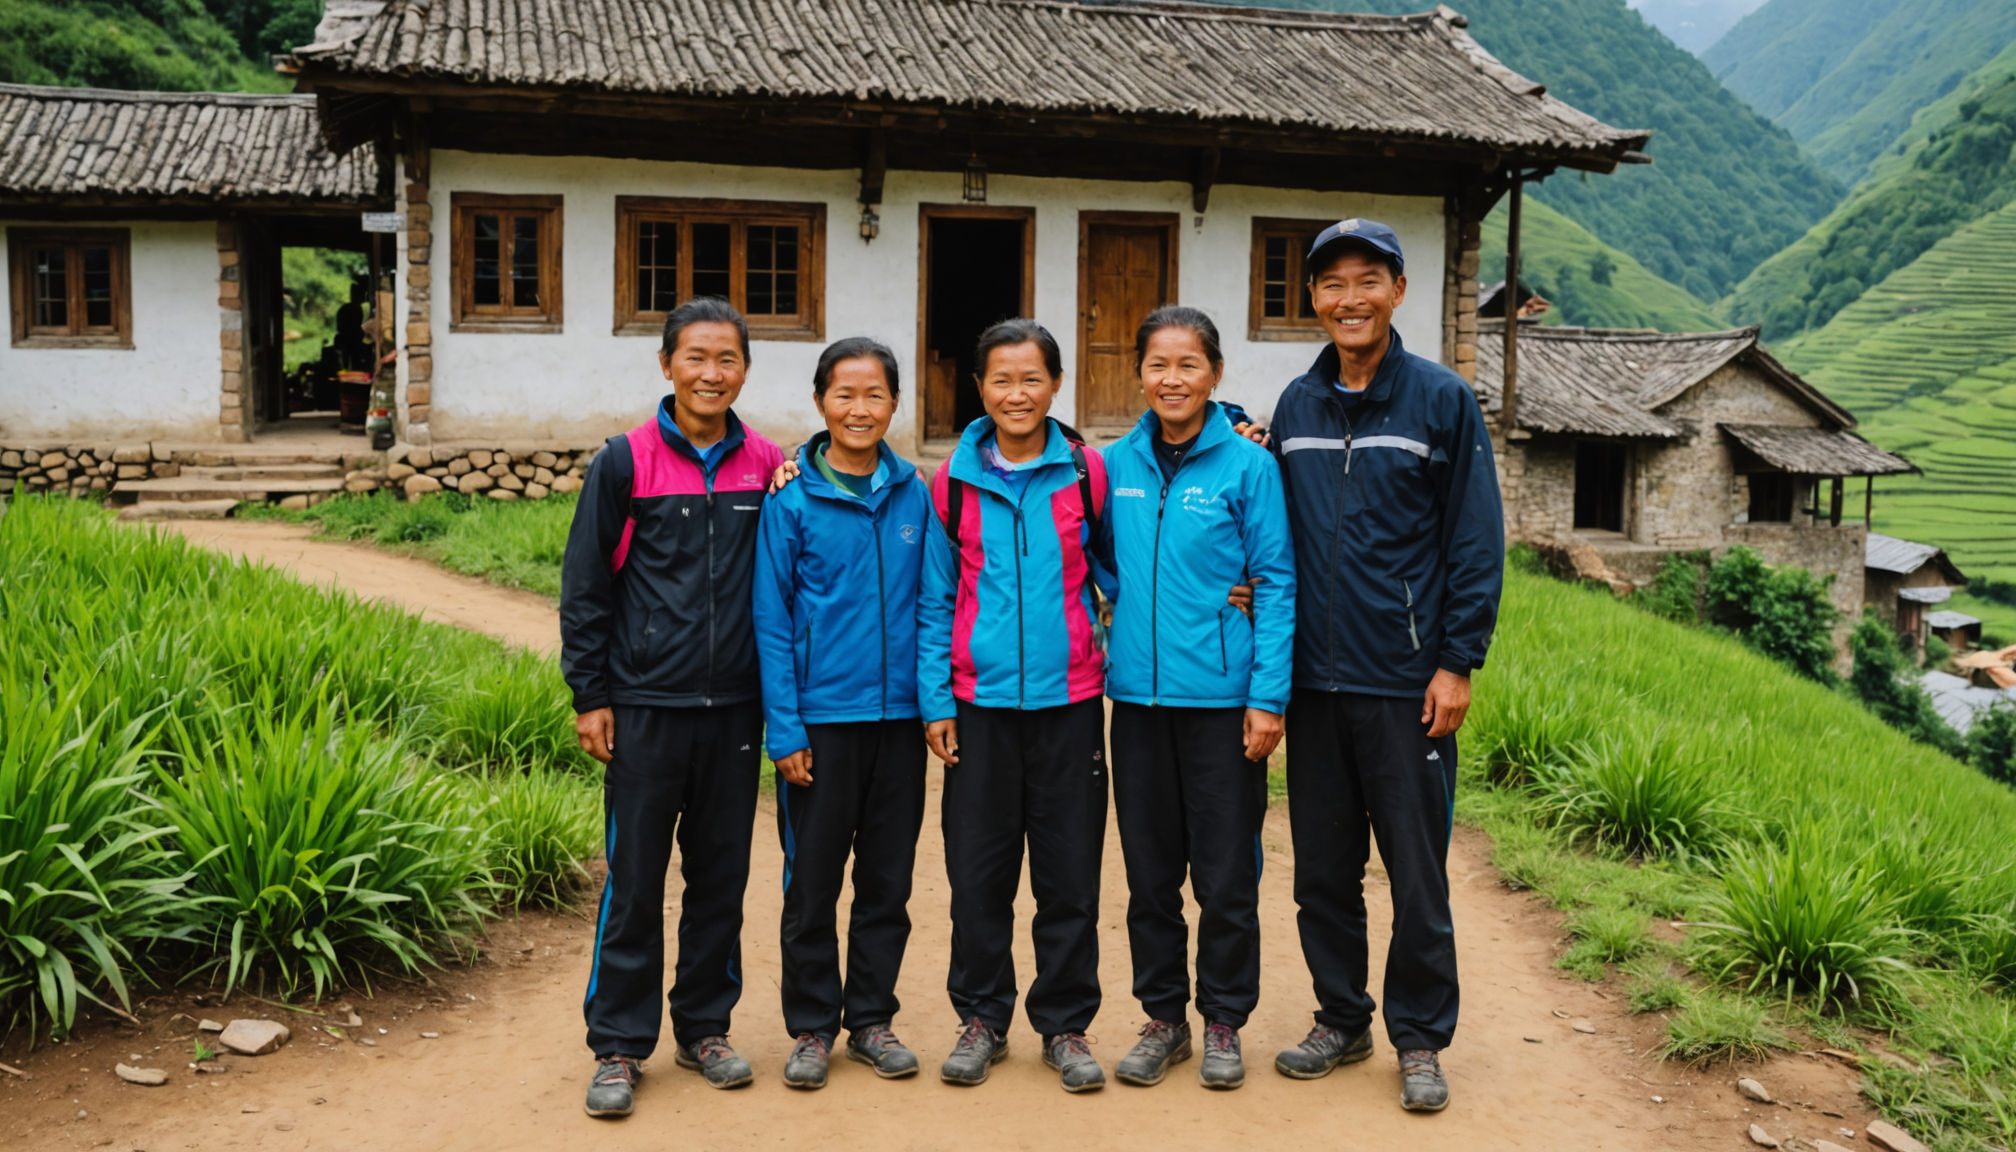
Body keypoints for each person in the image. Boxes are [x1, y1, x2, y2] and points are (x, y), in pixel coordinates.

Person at [1255, 219, 1504, 1113]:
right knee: (1322, 867)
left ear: (1398, 289)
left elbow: (1475, 541)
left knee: (1416, 868)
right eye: (1331, 284)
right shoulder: (1296, 406)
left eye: (1367, 280)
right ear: (1313, 299)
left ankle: (1420, 1036)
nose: (1349, 298)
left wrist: (1457, 662)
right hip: (1313, 684)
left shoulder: (1442, 401)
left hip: (1406, 685)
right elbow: (1271, 531)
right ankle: (1342, 1015)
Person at [561, 297, 786, 1119]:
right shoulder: (625, 462)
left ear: (745, 371)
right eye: (695, 357)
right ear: (666, 366)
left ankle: (703, 1029)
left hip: (735, 709)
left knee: (720, 880)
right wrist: (591, 695)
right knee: (634, 881)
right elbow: (586, 588)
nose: (711, 373)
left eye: (726, 359)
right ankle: (618, 1044)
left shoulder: (767, 465)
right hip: (646, 708)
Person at [915, 319, 1115, 1093]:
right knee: (978, 873)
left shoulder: (1087, 476)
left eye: (1031, 378)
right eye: (1001, 379)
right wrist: (938, 701)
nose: (1017, 393)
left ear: (1055, 385)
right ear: (979, 389)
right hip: (980, 708)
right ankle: (982, 1019)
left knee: (1069, 875)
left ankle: (1064, 1025)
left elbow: (1124, 573)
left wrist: (1228, 594)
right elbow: (935, 601)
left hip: (1070, 705)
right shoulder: (952, 482)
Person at [1101, 307, 1296, 1091]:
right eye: (1157, 364)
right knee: (1149, 875)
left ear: (1214, 374)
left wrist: (1268, 696)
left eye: (1188, 364)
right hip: (1139, 705)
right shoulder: (1113, 464)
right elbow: (1100, 559)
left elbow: (1277, 580)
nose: (1171, 379)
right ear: (1139, 373)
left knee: (1224, 876)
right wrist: (1129, 609)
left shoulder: (1250, 466)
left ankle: (1223, 1021)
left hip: (1222, 704)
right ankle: (1164, 1020)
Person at [750, 337, 933, 1090]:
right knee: (813, 883)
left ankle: (871, 1020)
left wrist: (933, 707)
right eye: (845, 395)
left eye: (876, 396)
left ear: (896, 403)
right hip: (820, 725)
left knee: (887, 883)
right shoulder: (789, 498)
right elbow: (772, 618)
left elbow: (932, 604)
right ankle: (812, 1027)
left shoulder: (915, 492)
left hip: (899, 725)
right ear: (821, 401)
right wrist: (785, 728)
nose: (861, 410)